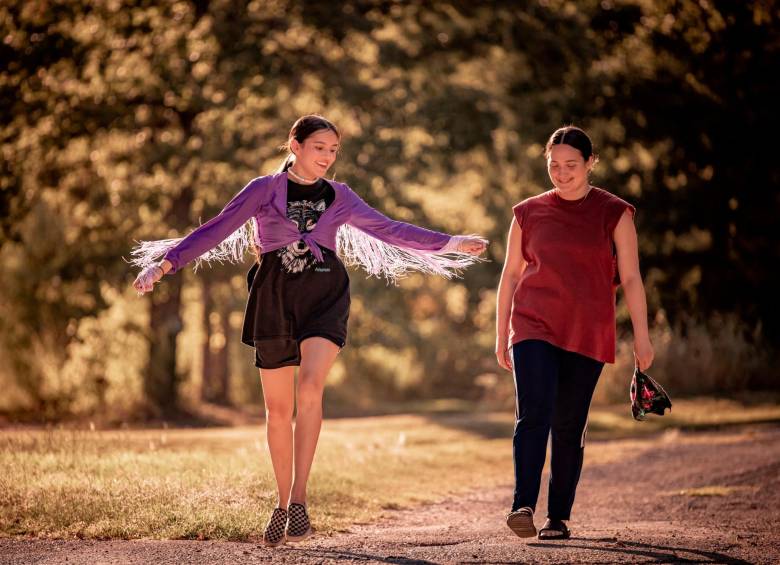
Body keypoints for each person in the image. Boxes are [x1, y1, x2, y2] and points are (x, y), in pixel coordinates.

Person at [131, 114, 487, 547]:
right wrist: (165, 263)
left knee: (311, 389)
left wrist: (450, 242)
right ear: (294, 145)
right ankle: (282, 504)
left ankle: (300, 497)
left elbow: (390, 229)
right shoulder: (264, 190)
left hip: (324, 297)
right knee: (278, 411)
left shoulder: (341, 196)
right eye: (320, 147)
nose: (328, 156)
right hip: (274, 299)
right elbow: (216, 229)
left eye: (334, 150)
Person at [495, 125, 653, 540]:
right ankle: (522, 505)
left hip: (588, 329)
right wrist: (501, 333)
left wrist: (642, 337)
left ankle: (557, 516)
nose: (561, 173)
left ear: (590, 163)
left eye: (570, 165)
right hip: (532, 324)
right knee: (534, 413)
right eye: (554, 165)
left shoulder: (614, 212)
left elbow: (632, 278)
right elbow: (510, 275)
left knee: (568, 424)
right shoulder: (526, 212)